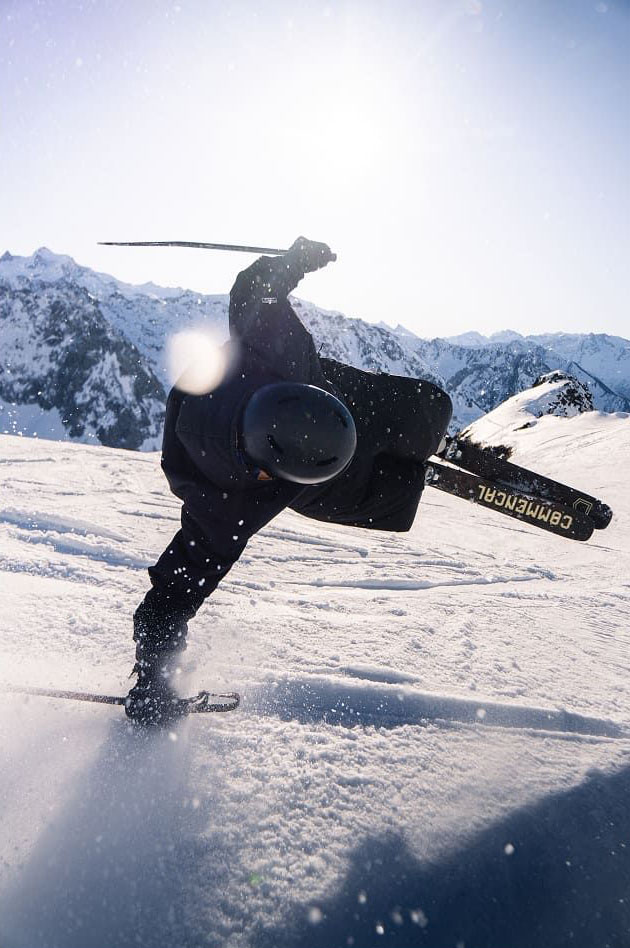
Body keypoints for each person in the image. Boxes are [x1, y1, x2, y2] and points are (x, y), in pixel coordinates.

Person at [125, 237, 453, 724]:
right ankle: (406, 475)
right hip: (307, 474)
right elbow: (170, 596)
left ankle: (415, 436)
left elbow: (254, 286)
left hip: (330, 396)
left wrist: (295, 260)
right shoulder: (223, 505)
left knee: (424, 409)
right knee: (384, 496)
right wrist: (153, 677)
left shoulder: (276, 350)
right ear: (266, 472)